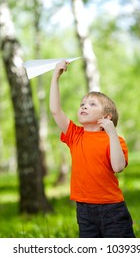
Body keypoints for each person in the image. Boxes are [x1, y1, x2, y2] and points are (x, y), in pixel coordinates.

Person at [49, 60, 135, 238]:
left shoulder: (116, 140)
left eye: (92, 104)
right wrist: (55, 78)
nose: (84, 106)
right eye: (82, 104)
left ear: (106, 117)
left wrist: (112, 133)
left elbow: (118, 167)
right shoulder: (75, 135)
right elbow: (55, 111)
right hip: (84, 209)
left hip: (112, 209)